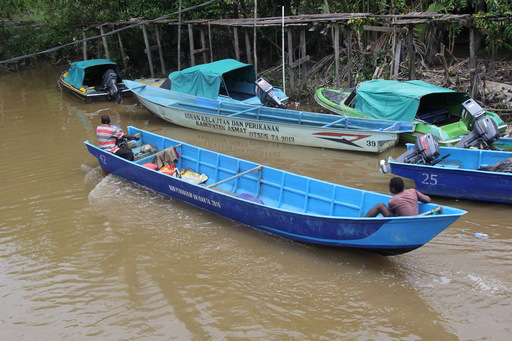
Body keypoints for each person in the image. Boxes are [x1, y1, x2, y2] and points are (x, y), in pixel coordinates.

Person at [365, 177, 431, 217]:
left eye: (389, 186)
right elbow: (428, 200)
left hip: (402, 222)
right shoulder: (413, 191)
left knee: (380, 206)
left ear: (393, 189)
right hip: (414, 219)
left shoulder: (393, 200)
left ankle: (364, 220)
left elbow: (391, 213)